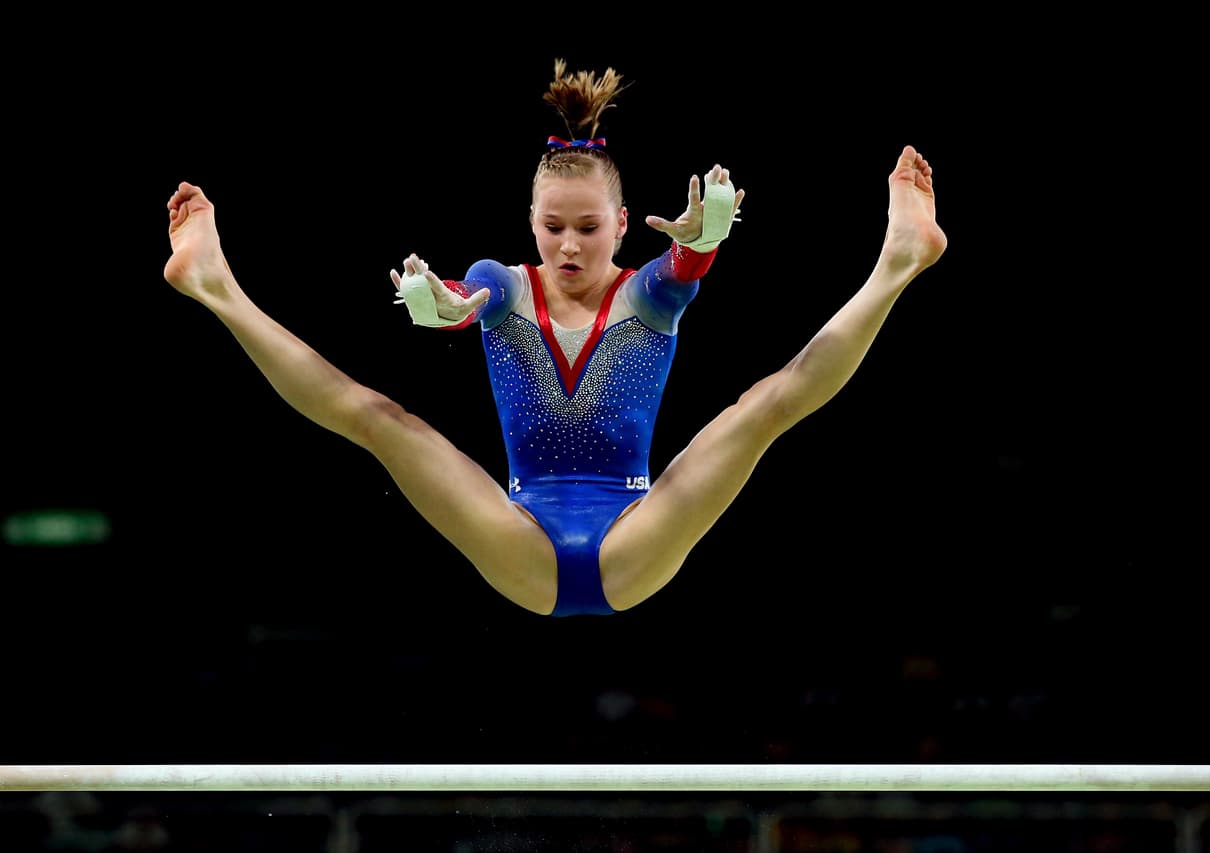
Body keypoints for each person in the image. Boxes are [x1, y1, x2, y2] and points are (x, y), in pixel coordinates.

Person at [163, 60, 946, 617]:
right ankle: (216, 287)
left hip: (637, 536)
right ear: (530, 224)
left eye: (588, 228)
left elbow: (681, 270)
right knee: (379, 420)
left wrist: (703, 240)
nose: (569, 246)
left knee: (763, 406)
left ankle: (897, 264)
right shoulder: (504, 281)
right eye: (552, 227)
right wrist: (442, 304)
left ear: (620, 220)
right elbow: (471, 300)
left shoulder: (646, 293)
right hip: (523, 540)